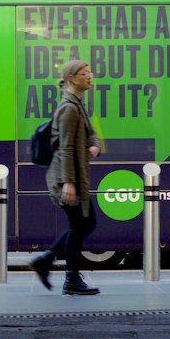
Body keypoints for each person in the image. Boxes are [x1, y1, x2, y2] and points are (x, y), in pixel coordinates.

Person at [31, 58, 102, 296]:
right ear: (72, 78)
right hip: (65, 178)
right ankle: (69, 276)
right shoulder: (69, 108)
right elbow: (66, 148)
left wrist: (94, 146)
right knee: (82, 224)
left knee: (82, 224)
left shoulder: (77, 104)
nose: (89, 76)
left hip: (73, 176)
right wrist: (69, 183)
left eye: (89, 72)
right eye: (84, 73)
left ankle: (48, 260)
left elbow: (92, 134)